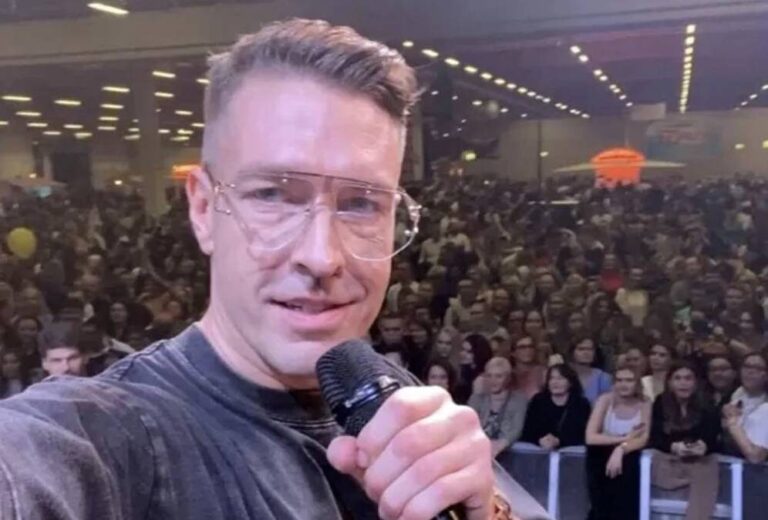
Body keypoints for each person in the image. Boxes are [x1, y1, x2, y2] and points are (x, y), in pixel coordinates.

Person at [0, 20, 545, 520]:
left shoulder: (387, 399)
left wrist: (488, 510)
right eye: (273, 195)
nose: (322, 256)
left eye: (361, 203)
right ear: (203, 209)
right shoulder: (118, 432)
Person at [649, 361, 720, 520]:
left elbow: (713, 435)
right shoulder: (660, 402)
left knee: (707, 466)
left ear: (696, 382)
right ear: (670, 382)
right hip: (669, 458)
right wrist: (674, 446)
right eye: (678, 378)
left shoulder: (707, 403)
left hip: (700, 460)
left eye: (688, 378)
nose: (683, 383)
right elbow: (655, 436)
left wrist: (704, 446)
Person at [585, 366, 651, 520]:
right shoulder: (605, 400)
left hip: (630, 455)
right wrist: (625, 438)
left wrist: (621, 449)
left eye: (629, 380)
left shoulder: (645, 402)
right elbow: (591, 437)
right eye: (619, 380)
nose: (623, 384)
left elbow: (643, 438)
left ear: (637, 383)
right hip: (601, 456)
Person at [520, 364, 592, 449]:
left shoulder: (581, 404)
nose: (555, 382)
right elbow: (527, 431)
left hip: (570, 452)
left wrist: (559, 441)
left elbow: (584, 435)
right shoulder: (538, 401)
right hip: (540, 450)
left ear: (570, 382)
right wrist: (539, 440)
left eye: (560, 378)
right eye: (551, 378)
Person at [469, 357, 528, 457]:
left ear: (508, 378)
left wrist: (501, 444)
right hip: (477, 451)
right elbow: (468, 426)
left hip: (508, 453)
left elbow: (517, 429)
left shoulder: (519, 400)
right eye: (489, 376)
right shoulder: (476, 399)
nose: (493, 381)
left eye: (498, 376)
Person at [722, 352, 768, 463]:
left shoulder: (765, 408)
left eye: (757, 368)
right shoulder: (732, 397)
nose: (750, 371)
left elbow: (756, 456)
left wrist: (732, 424)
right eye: (747, 366)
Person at [569, 338, 612, 405]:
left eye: (590, 349)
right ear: (572, 352)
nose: (586, 353)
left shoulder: (603, 378)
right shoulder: (563, 375)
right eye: (581, 349)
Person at [456, 333, 494, 404]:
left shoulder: (480, 381)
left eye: (469, 352)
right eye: (462, 349)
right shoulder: (464, 372)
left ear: (478, 354)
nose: (462, 354)